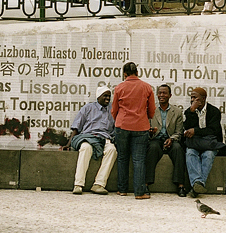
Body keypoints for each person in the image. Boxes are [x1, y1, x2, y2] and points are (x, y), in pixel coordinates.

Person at [112, 61, 156, 199]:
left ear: (124, 74)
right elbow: (152, 110)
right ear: (137, 72)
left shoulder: (119, 87)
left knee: (122, 158)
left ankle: (122, 190)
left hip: (122, 125)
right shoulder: (147, 87)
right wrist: (145, 117)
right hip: (140, 126)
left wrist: (119, 120)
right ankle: (139, 192)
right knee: (139, 160)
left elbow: (114, 110)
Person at [67, 85, 117, 195]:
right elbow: (77, 127)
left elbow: (114, 130)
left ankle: (99, 184)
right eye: (105, 96)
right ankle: (78, 184)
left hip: (105, 139)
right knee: (85, 148)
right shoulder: (88, 108)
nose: (108, 99)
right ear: (98, 96)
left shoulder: (112, 111)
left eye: (109, 96)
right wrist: (68, 144)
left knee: (112, 150)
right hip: (88, 137)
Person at [145, 84, 187, 196]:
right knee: (152, 148)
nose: (161, 95)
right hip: (156, 139)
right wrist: (150, 132)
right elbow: (145, 129)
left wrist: (172, 139)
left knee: (178, 149)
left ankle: (180, 185)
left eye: (164, 93)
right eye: (159, 93)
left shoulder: (177, 111)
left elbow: (179, 132)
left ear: (170, 95)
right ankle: (146, 184)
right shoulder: (151, 110)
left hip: (171, 139)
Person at [183, 88, 226, 197]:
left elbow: (213, 130)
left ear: (203, 99)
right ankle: (198, 183)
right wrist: (192, 112)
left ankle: (196, 186)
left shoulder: (214, 111)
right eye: (191, 97)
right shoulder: (189, 111)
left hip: (209, 144)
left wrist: (196, 131)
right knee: (190, 153)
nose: (192, 100)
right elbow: (187, 126)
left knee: (208, 155)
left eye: (195, 97)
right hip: (195, 143)